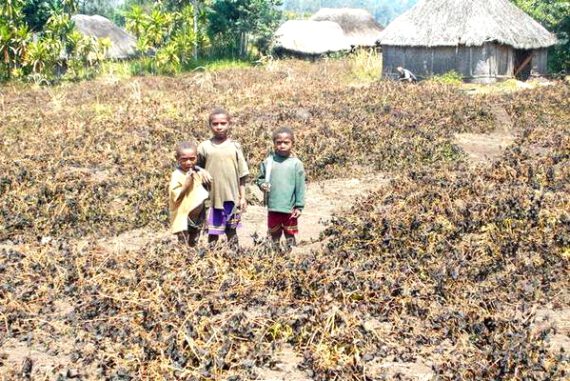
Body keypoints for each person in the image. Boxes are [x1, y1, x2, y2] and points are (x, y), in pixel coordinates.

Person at [197, 108, 249, 246]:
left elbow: (242, 175)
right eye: (215, 124)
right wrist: (200, 171)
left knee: (232, 232)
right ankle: (212, 260)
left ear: (229, 124)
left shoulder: (235, 147)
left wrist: (242, 197)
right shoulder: (204, 147)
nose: (219, 127)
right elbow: (194, 168)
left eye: (223, 123)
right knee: (213, 234)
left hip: (231, 199)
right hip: (212, 199)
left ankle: (235, 258)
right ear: (210, 125)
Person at [257, 127, 305, 251]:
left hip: (289, 208)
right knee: (274, 233)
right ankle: (275, 256)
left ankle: (291, 256)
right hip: (273, 206)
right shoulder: (268, 162)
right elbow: (260, 179)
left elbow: (300, 186)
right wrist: (262, 185)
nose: (282, 146)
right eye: (279, 143)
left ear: (292, 144)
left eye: (286, 142)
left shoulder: (296, 164)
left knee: (290, 234)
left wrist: (299, 206)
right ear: (274, 143)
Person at [169, 141, 211, 247]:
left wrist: (202, 171)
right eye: (184, 159)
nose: (188, 162)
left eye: (192, 159)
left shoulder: (196, 172)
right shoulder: (177, 175)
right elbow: (176, 197)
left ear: (197, 158)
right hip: (184, 217)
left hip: (197, 217)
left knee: (194, 241)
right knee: (183, 241)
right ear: (177, 159)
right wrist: (186, 184)